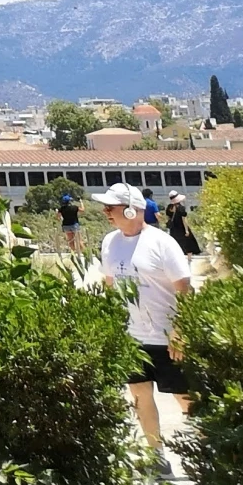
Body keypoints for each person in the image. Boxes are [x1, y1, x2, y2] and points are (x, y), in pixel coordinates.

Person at [96, 182, 192, 458]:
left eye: (110, 208)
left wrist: (180, 330)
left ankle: (211, 452)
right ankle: (156, 455)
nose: (106, 213)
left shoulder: (162, 243)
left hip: (167, 337)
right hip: (132, 337)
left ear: (130, 211)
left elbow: (184, 288)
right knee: (139, 394)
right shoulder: (109, 242)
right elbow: (110, 284)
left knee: (184, 396)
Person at [165, 193, 201, 258]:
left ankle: (177, 258)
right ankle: (189, 259)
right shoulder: (181, 208)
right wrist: (186, 230)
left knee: (176, 244)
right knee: (188, 244)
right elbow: (184, 220)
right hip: (181, 228)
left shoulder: (169, 207)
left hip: (173, 229)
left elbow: (168, 218)